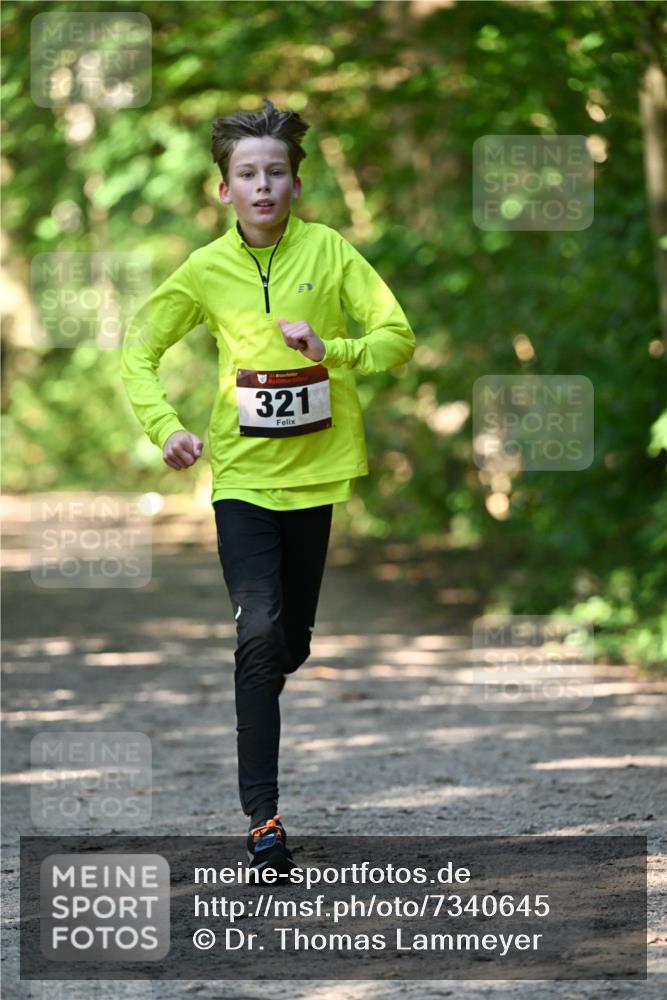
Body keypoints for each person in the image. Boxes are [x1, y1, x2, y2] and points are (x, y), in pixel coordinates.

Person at [120, 97, 415, 875]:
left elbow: (397, 338)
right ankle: (263, 820)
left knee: (290, 641)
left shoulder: (330, 253)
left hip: (316, 477)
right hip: (242, 481)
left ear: (294, 183)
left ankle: (267, 669)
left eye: (275, 173)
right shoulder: (204, 271)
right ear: (224, 190)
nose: (261, 187)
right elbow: (137, 352)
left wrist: (333, 348)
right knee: (257, 636)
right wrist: (166, 429)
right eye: (246, 174)